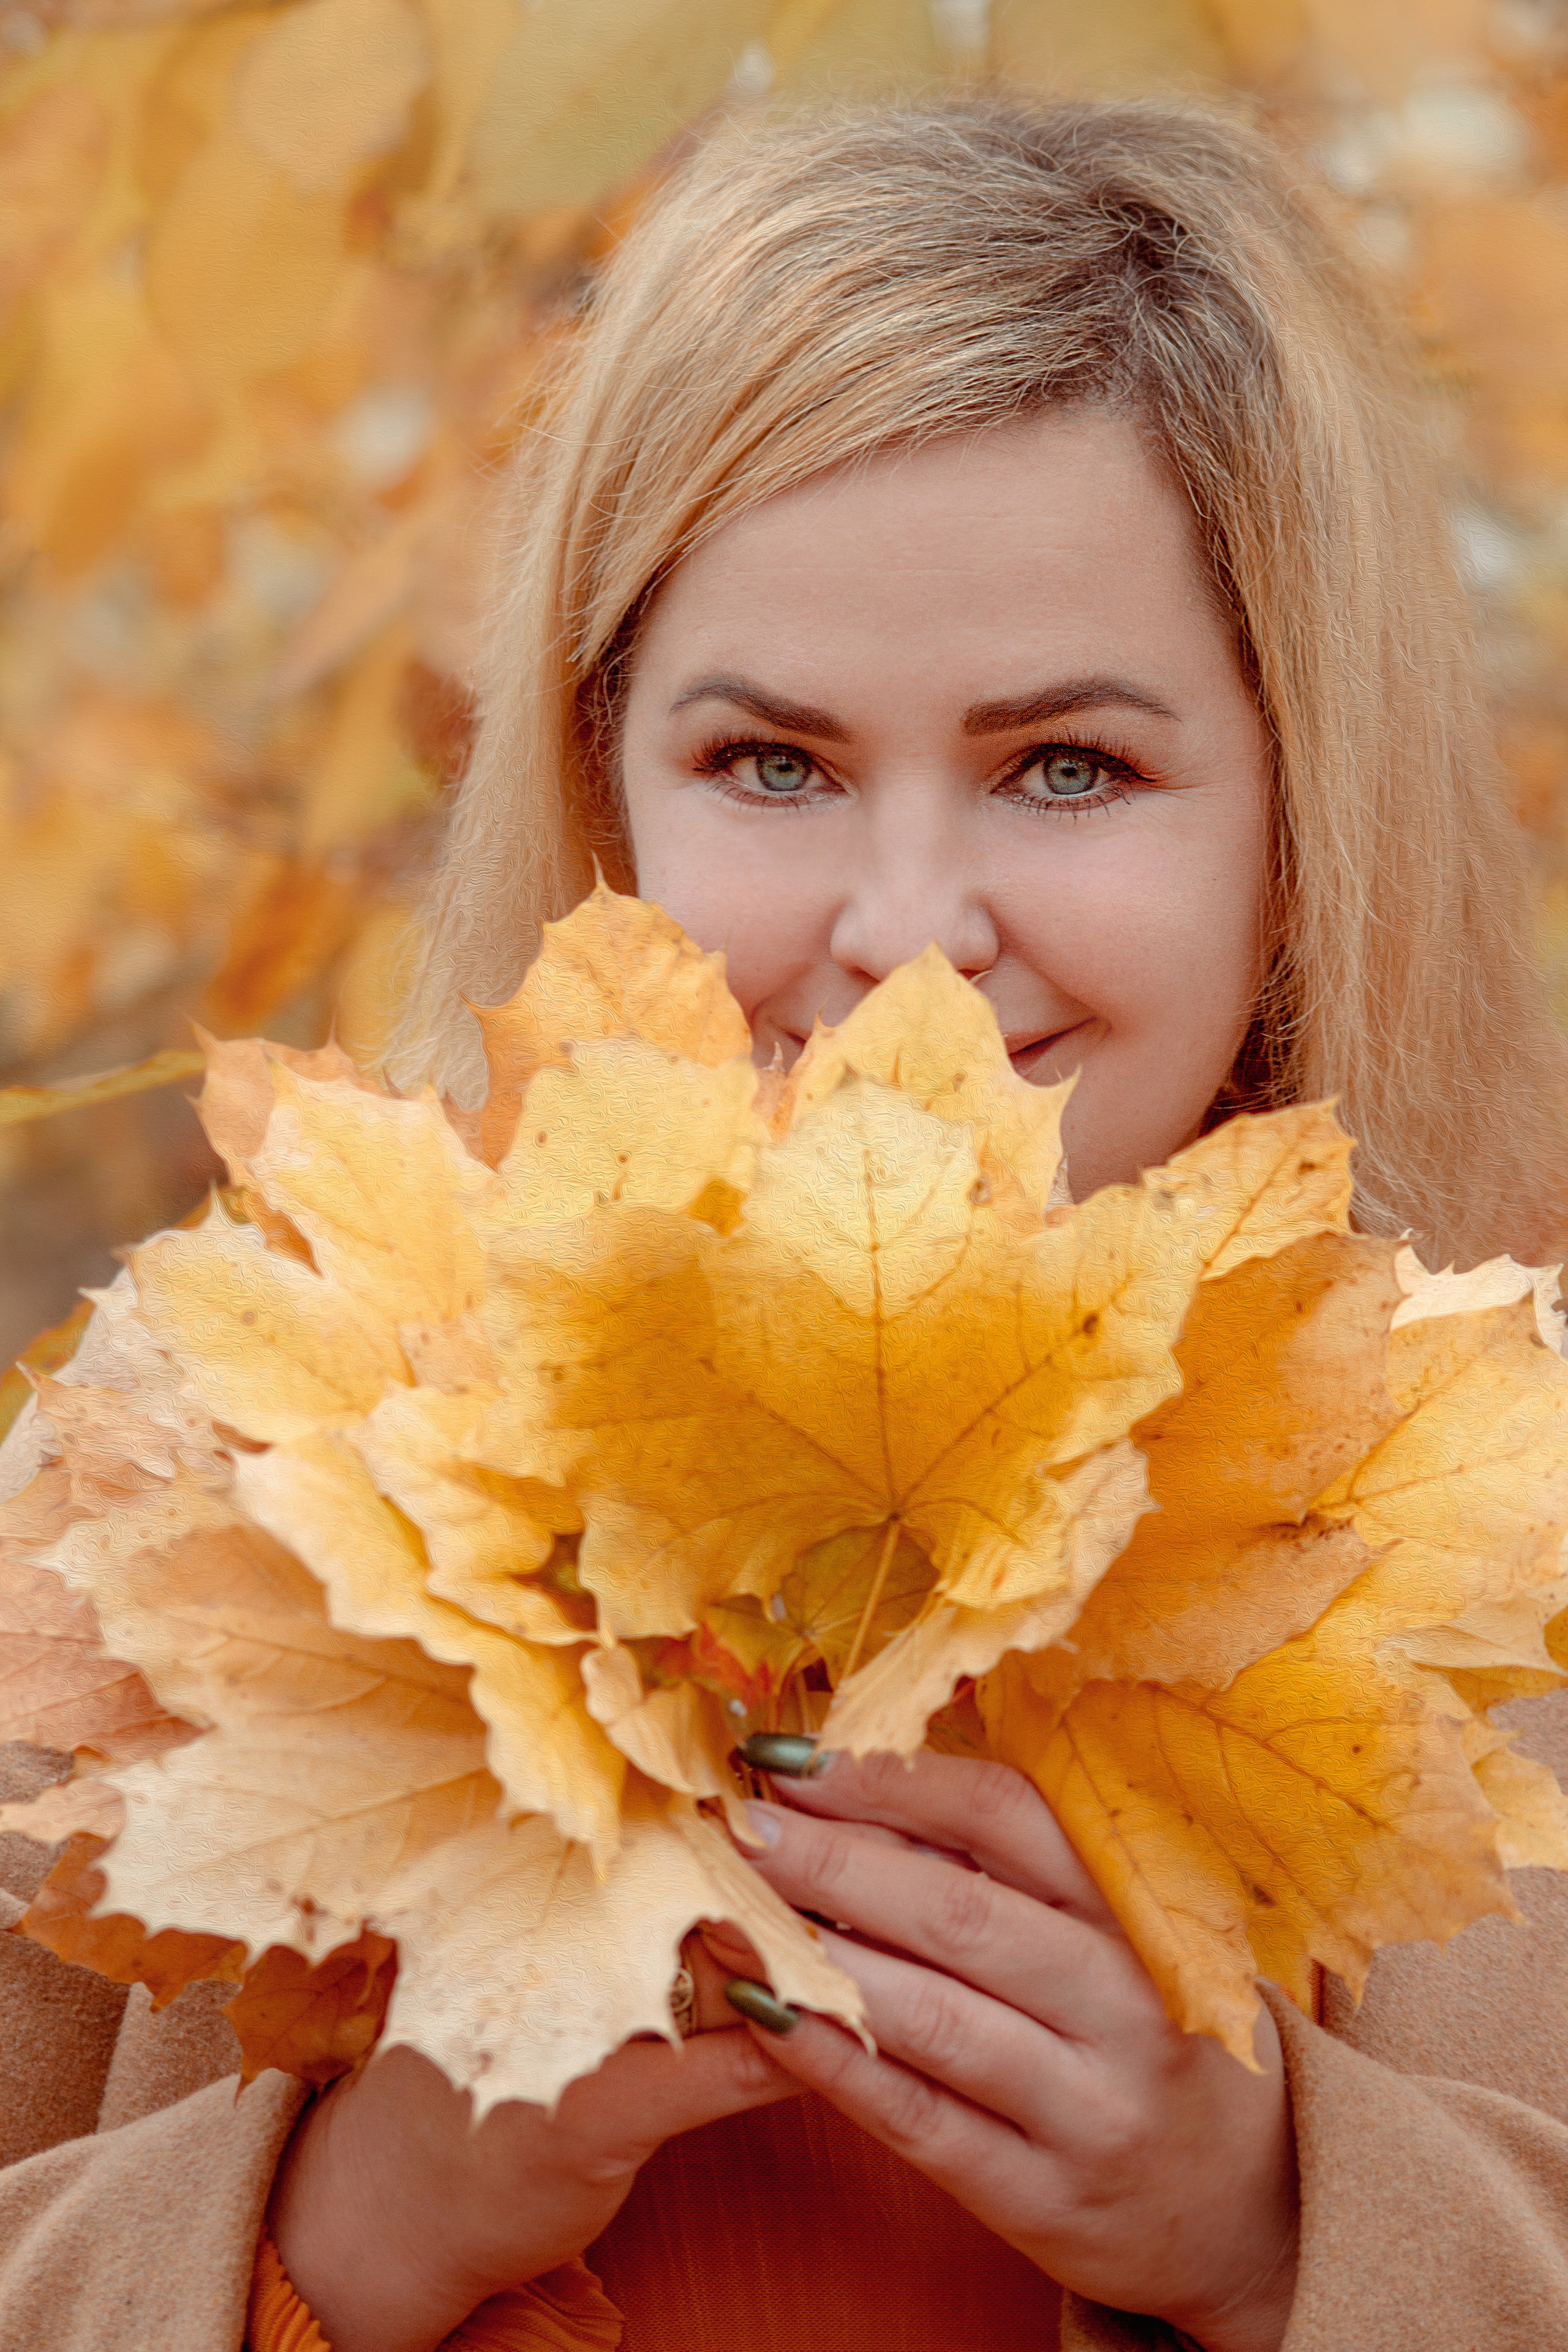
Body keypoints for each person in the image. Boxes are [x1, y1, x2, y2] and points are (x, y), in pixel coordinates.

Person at [4, 92, 1568, 2352]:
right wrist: (339, 2233)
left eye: (1070, 769)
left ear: (1294, 818)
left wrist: (1281, 2236)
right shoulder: (198, 1491)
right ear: (604, 777)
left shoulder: (1509, 1522)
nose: (910, 942)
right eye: (774, 766)